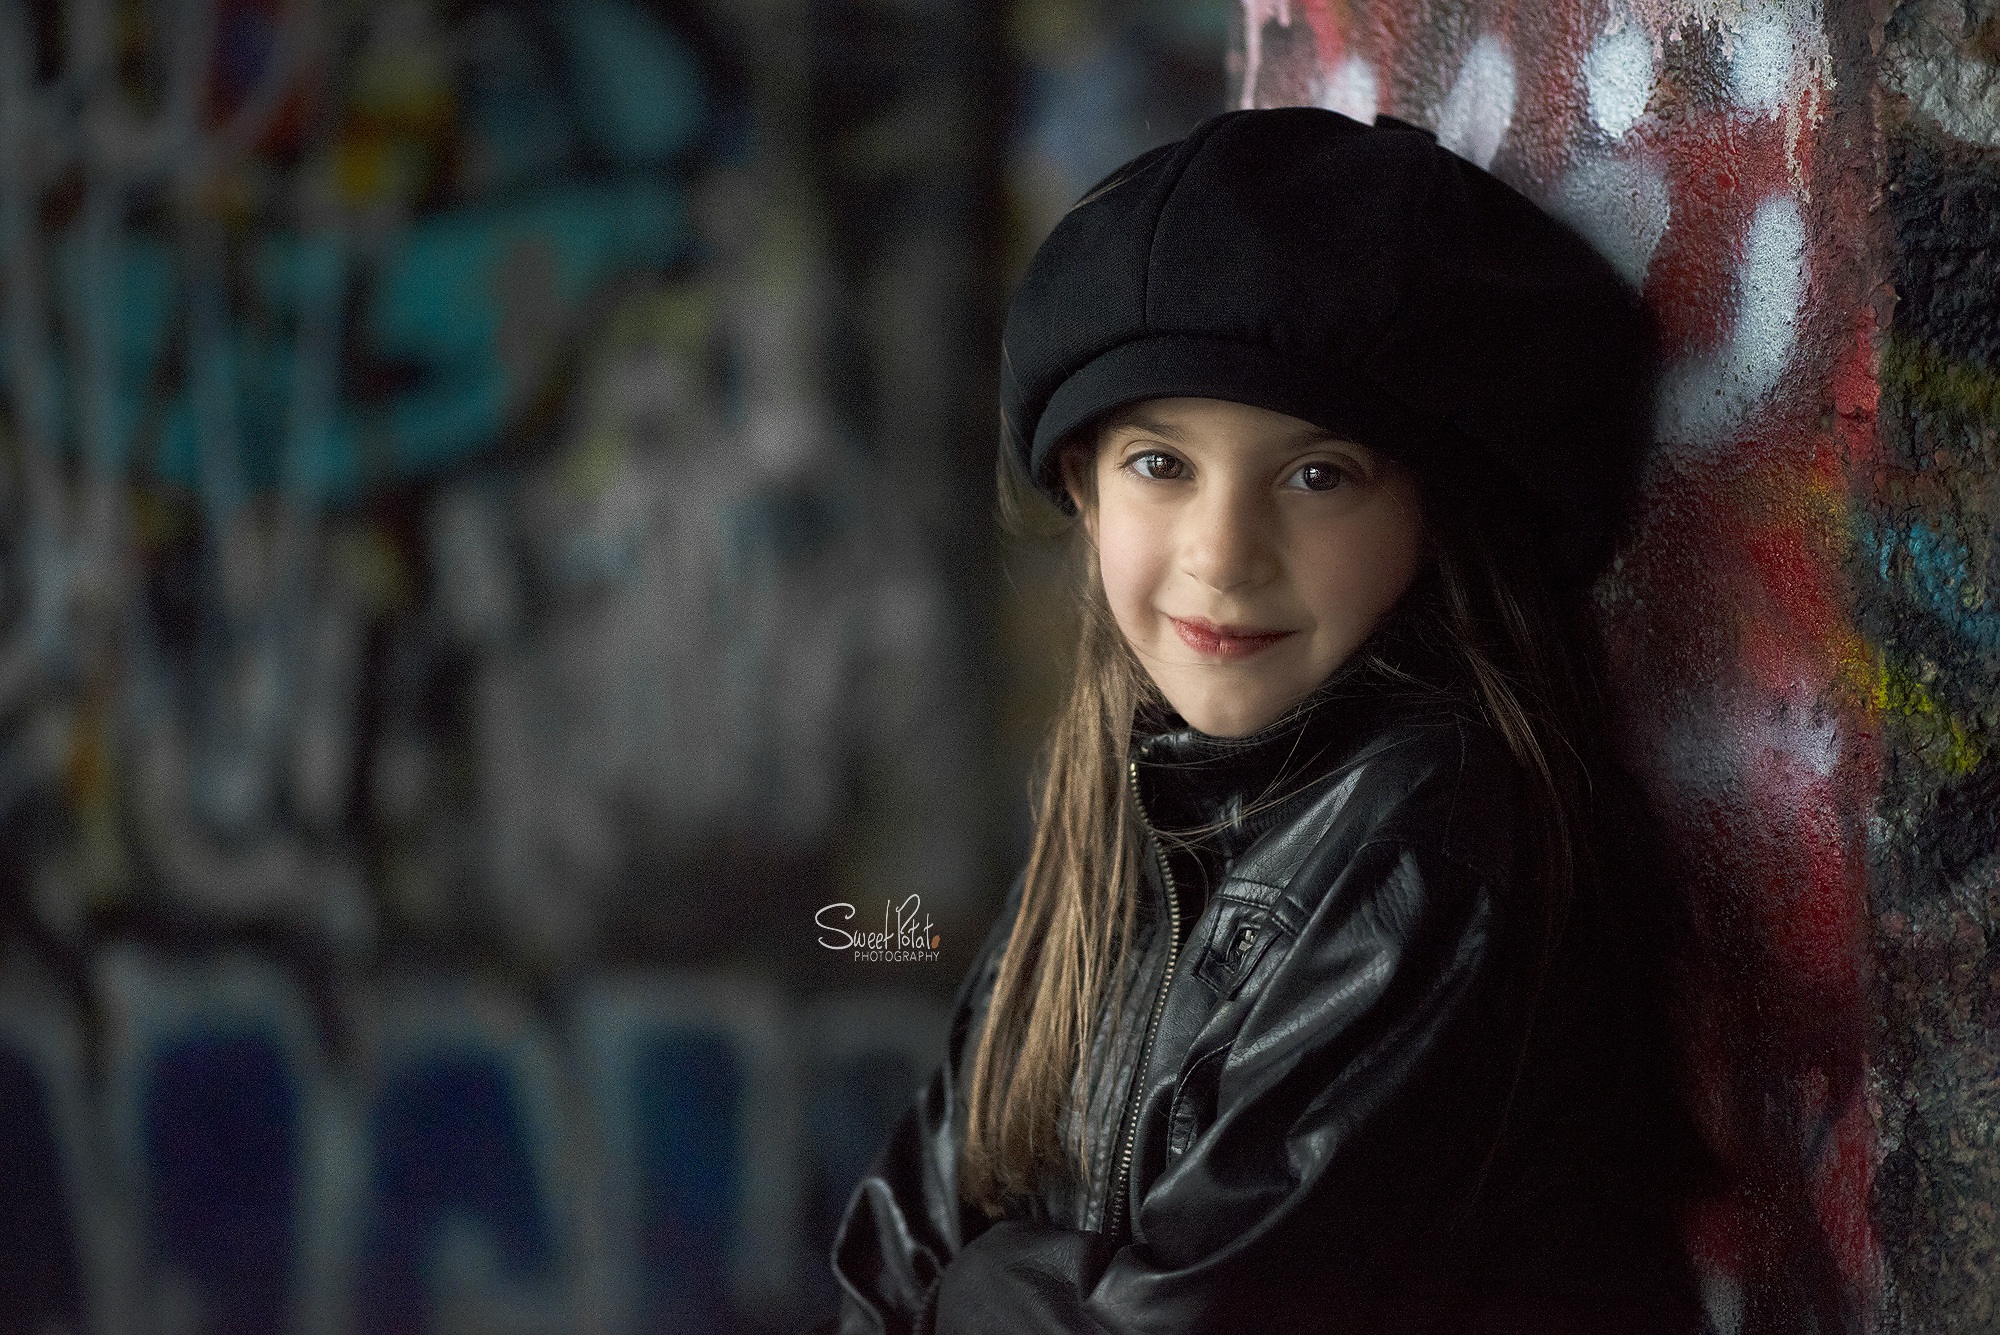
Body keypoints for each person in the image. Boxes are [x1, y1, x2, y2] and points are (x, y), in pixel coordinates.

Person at [821, 107, 1715, 1335]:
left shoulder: (1428, 848)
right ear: (1082, 483)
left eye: (1315, 475)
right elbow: (893, 1262)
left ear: (1434, 512)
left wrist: (984, 1289)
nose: (1222, 554)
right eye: (1160, 465)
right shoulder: (1119, 811)